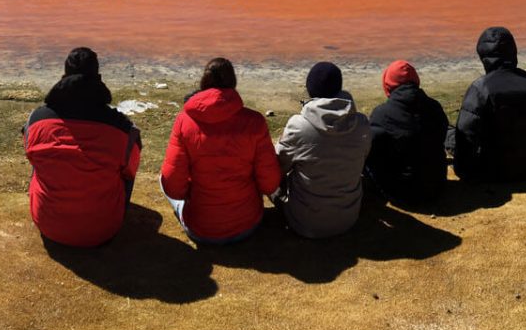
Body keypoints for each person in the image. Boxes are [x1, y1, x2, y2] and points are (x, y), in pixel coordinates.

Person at [23, 47, 141, 247]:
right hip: (102, 230)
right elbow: (130, 171)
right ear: (98, 77)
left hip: (48, 225)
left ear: (63, 76)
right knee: (125, 167)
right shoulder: (121, 128)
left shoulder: (37, 120)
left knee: (39, 160)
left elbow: (30, 154)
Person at [160, 58, 280, 244]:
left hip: (200, 228)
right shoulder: (255, 122)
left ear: (204, 82)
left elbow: (173, 187)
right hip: (247, 224)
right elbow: (269, 185)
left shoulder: (184, 121)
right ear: (233, 82)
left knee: (163, 180)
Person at [273, 62, 372, 238]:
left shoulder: (299, 126)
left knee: (270, 177)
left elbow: (277, 167)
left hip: (304, 222)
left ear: (310, 91)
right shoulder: (362, 124)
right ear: (339, 90)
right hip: (348, 218)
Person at [446, 27, 526, 181]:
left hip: (492, 170)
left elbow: (466, 138)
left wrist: (463, 171)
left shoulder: (480, 88)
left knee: (447, 133)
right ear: (513, 52)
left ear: (484, 57)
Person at [366, 60, 450, 205]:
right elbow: (442, 135)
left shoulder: (382, 114)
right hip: (437, 184)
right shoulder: (434, 106)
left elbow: (370, 150)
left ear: (388, 85)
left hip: (403, 192)